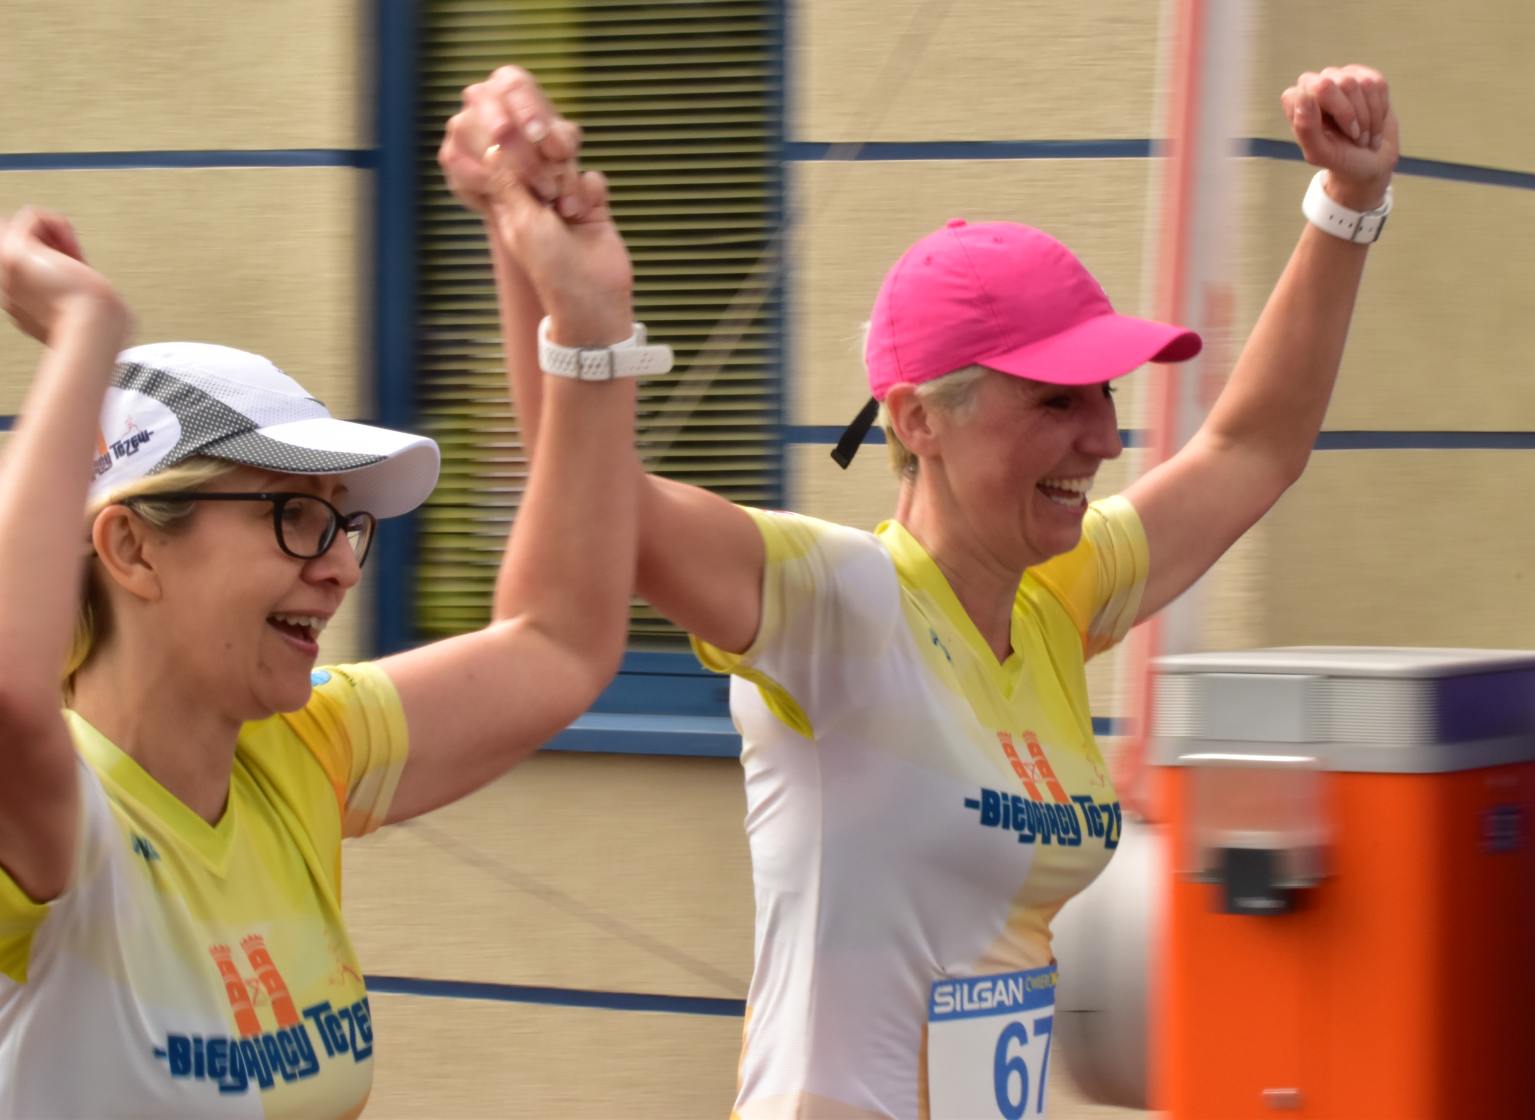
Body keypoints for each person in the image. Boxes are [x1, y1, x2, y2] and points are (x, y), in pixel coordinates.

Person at [444, 62, 1397, 1119]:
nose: (1104, 437)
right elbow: (595, 502)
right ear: (916, 420)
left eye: (1104, 392)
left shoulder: (1056, 595)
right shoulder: (843, 607)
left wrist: (1347, 201)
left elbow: (1251, 449)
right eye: (1055, 401)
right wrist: (535, 259)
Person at [0, 146, 654, 1118]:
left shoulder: (297, 749)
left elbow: (561, 642)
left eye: (344, 521)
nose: (343, 565)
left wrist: (588, 327)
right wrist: (85, 330)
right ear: (131, 548)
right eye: (293, 514)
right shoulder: (59, 815)